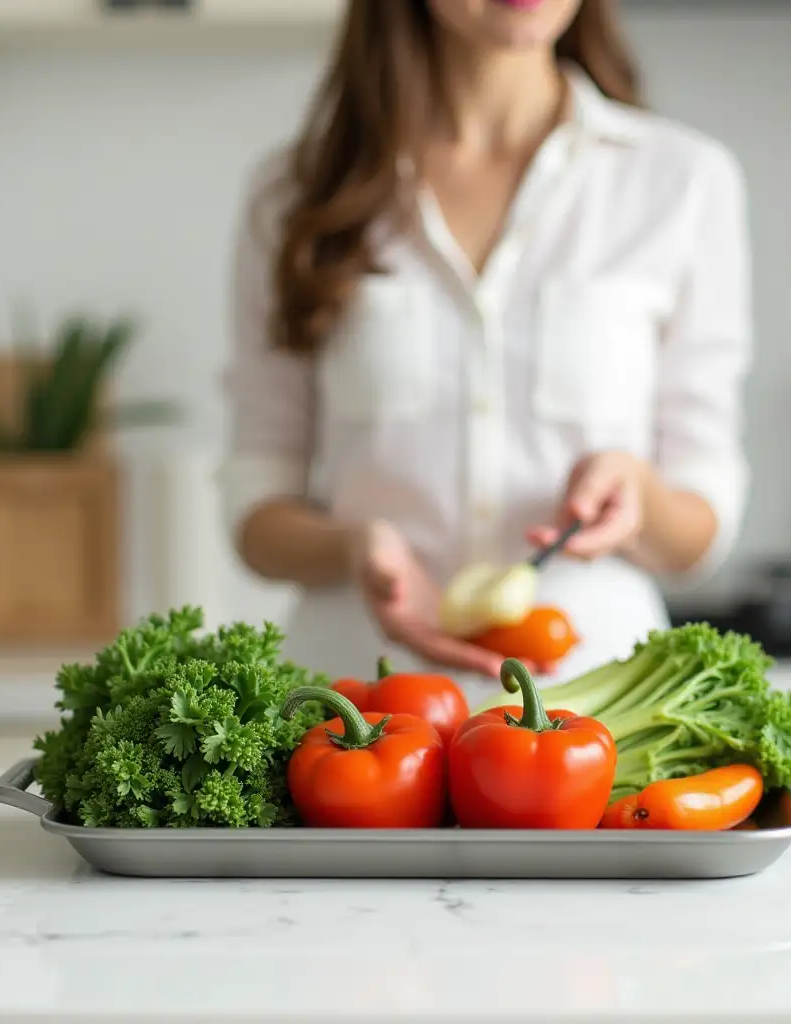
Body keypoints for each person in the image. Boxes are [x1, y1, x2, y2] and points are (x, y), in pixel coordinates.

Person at [217, 0, 753, 705]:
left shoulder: (680, 181)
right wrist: (353, 546)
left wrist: (640, 497)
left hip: (600, 723)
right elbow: (258, 505)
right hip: (353, 720)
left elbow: (700, 523)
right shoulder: (295, 194)